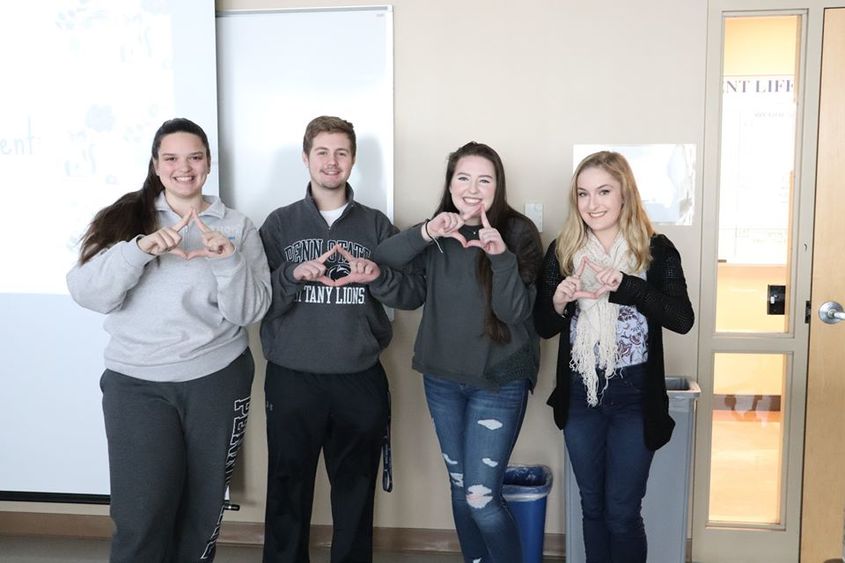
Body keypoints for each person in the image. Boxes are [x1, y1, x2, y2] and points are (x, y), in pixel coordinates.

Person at [66, 117, 271, 562]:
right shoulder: (125, 218)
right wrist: (139, 250)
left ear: (209, 164)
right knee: (141, 514)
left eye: (194, 157)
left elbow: (251, 312)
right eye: (172, 158)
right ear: (157, 166)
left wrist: (228, 261)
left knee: (202, 512)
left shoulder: (236, 226)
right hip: (136, 385)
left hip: (217, 381)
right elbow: (87, 292)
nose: (184, 167)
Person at [374, 141, 543, 563]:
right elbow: (383, 259)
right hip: (443, 379)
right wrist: (428, 231)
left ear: (497, 187)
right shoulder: (438, 231)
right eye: (462, 178)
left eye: (484, 179)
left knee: (481, 497)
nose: (472, 188)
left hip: (499, 381)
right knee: (460, 487)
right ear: (450, 184)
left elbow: (518, 311)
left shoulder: (518, 231)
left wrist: (499, 255)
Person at [259, 116, 416, 563]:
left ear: (353, 160)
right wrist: (293, 273)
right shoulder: (280, 224)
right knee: (287, 486)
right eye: (322, 152)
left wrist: (378, 275)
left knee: (356, 491)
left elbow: (412, 294)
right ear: (306, 157)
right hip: (292, 377)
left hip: (358, 377)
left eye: (341, 153)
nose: (332, 162)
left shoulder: (375, 225)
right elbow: (257, 302)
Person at [533, 151, 694, 562]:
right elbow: (543, 326)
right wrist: (558, 300)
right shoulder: (563, 249)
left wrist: (627, 286)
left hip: (634, 394)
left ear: (626, 194)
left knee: (622, 512)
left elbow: (681, 318)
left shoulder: (654, 249)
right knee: (592, 506)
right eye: (583, 194)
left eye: (604, 191)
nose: (593, 204)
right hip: (581, 391)